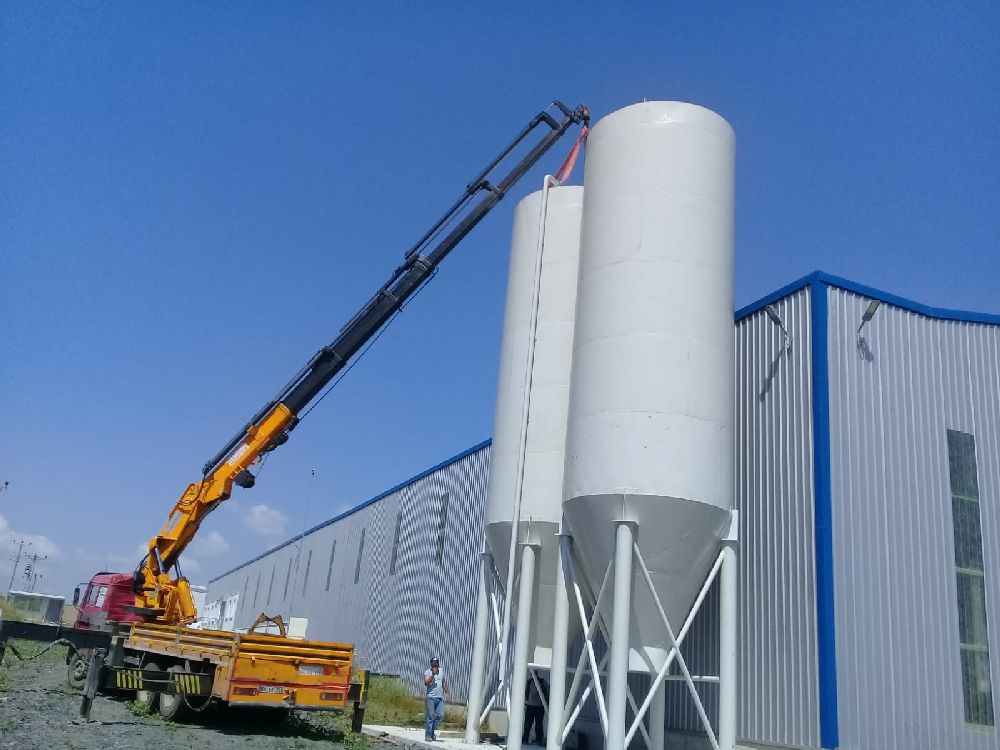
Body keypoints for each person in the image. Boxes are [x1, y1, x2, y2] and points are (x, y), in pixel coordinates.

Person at [423, 656, 450, 741]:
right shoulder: (427, 672)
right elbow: (426, 683)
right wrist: (433, 675)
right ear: (431, 664)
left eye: (437, 663)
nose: (435, 665)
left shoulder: (441, 671)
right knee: (430, 716)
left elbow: (443, 682)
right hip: (430, 697)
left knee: (440, 715)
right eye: (434, 663)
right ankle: (428, 735)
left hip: (439, 698)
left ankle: (431, 731)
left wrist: (447, 692)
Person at [522, 673, 548, 745]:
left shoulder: (541, 681)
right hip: (531, 705)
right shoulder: (530, 682)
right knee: (528, 724)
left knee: (537, 724)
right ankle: (526, 739)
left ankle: (538, 740)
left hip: (538, 706)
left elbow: (547, 692)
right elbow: (526, 692)